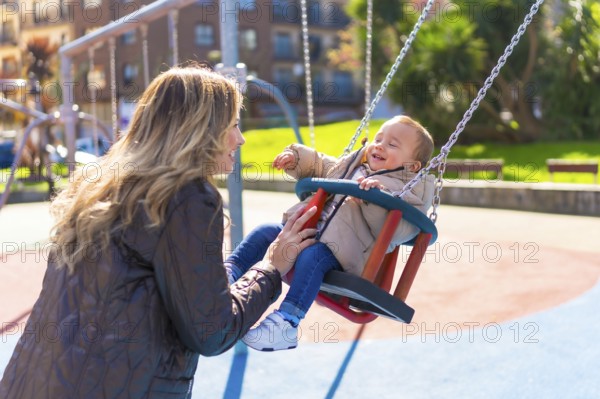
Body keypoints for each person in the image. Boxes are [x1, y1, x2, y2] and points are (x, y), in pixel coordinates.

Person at [0, 65, 319, 398]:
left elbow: (165, 291)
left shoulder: (98, 189)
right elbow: (212, 331)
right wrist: (271, 267)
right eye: (233, 124)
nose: (240, 138)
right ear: (200, 127)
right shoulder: (187, 197)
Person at [225, 115, 435, 351]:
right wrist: (297, 159)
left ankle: (287, 322)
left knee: (312, 256)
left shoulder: (407, 194)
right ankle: (228, 273)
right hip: (310, 236)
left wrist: (378, 199)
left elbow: (399, 231)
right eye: (379, 138)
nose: (380, 145)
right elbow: (324, 166)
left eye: (392, 144)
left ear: (413, 165)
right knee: (266, 232)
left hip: (344, 258)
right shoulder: (355, 167)